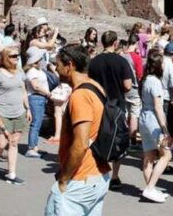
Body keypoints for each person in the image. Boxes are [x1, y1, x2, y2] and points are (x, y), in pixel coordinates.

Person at [45, 44, 111, 216]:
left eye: (58, 64)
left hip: (81, 178)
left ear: (70, 65)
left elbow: (81, 143)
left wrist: (64, 178)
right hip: (98, 175)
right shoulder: (96, 86)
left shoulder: (80, 96)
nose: (56, 69)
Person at [88, 31, 134, 189]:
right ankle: (114, 176)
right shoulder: (121, 61)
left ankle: (98, 170)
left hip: (98, 102)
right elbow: (128, 85)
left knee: (98, 135)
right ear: (115, 43)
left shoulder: (94, 62)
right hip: (117, 104)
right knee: (118, 138)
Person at [0, 46, 30, 185]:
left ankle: (11, 174)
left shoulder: (20, 72)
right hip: (3, 112)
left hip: (18, 112)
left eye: (17, 55)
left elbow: (23, 91)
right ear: (6, 58)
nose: (16, 58)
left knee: (13, 142)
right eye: (13, 56)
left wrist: (28, 109)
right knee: (1, 143)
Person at [138, 50, 172, 203]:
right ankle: (150, 187)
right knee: (166, 155)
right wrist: (165, 129)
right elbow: (159, 108)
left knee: (149, 156)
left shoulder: (145, 79)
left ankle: (150, 188)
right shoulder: (156, 82)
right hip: (152, 120)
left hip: (143, 117)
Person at [25, 50, 51, 158]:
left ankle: (34, 146)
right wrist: (48, 93)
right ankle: (31, 147)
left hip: (40, 98)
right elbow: (35, 86)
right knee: (36, 123)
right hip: (36, 98)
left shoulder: (38, 70)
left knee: (38, 123)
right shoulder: (32, 72)